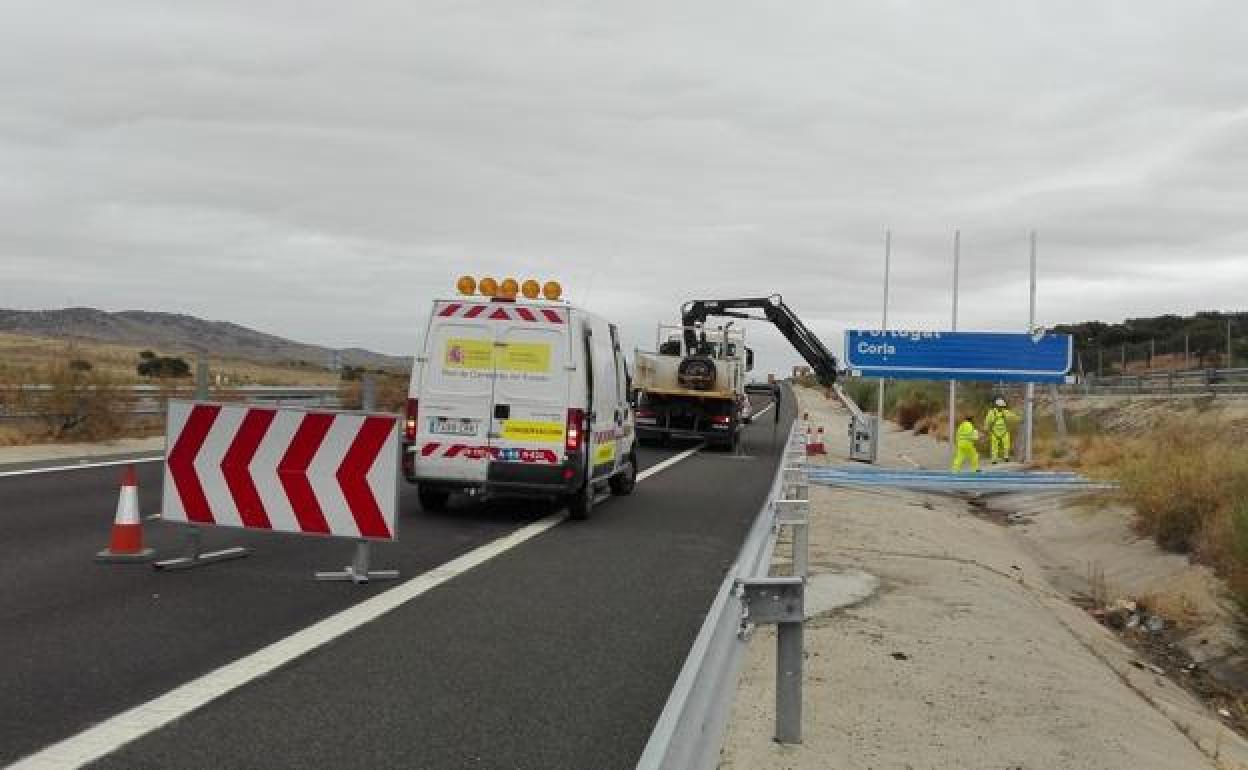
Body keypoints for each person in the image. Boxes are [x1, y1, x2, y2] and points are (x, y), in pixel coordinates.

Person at [983, 396, 1019, 464]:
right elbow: (987, 421)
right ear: (996, 406)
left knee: (1006, 445)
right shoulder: (991, 413)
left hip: (1004, 432)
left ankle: (1006, 457)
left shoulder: (1005, 412)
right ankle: (994, 459)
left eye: (1002, 406)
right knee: (994, 446)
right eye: (1000, 406)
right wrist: (986, 428)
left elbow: (1013, 416)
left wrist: (1019, 419)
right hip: (995, 432)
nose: (1001, 407)